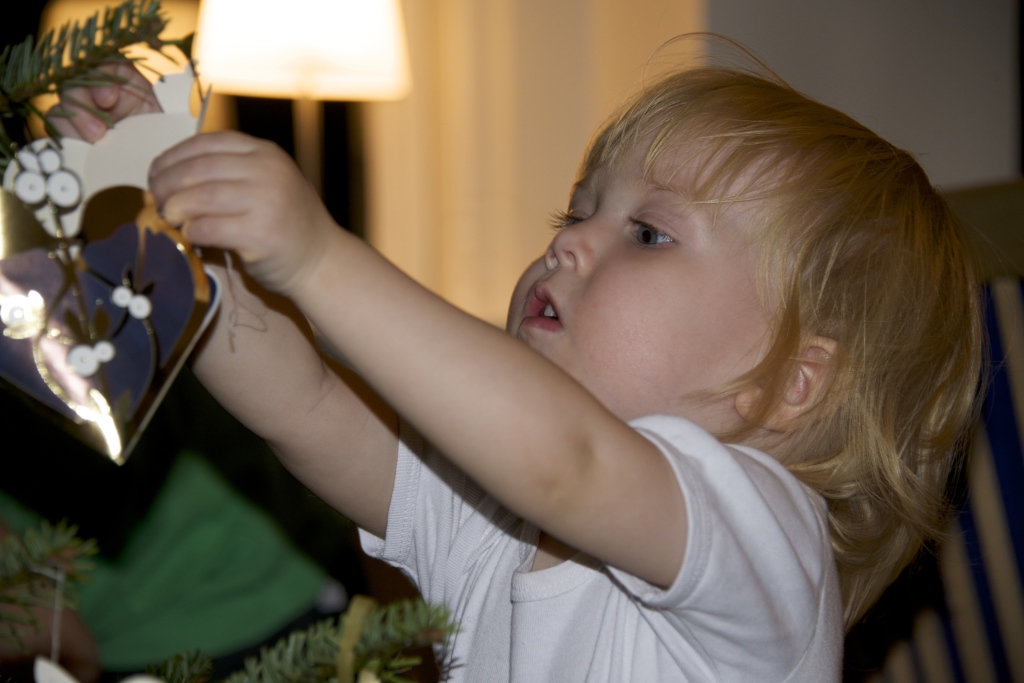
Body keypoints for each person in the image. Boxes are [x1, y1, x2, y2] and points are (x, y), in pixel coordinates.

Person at [50, 42, 982, 681]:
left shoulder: (767, 535)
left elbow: (570, 460)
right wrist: (165, 230)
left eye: (648, 233)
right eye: (576, 211)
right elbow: (309, 404)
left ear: (788, 384)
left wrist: (321, 257)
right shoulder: (500, 516)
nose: (569, 243)